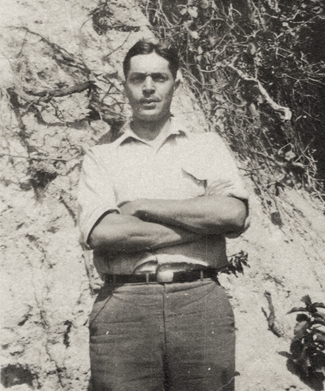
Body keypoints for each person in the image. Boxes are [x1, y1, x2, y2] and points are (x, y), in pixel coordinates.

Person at [77, 38, 250, 391]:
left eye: (159, 77)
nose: (148, 88)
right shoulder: (101, 157)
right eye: (138, 79)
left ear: (177, 83)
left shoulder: (207, 146)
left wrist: (142, 206)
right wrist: (200, 227)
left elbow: (233, 213)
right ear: (125, 84)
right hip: (124, 305)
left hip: (200, 301)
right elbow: (105, 234)